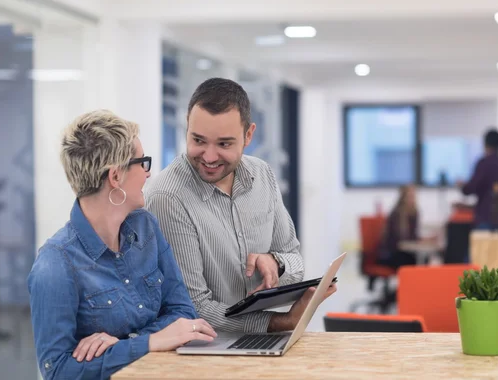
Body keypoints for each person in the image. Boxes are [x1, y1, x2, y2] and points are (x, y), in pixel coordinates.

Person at [27, 110, 216, 380]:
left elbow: (183, 313)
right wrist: (149, 342)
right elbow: (57, 371)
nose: (148, 174)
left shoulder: (146, 227)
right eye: (143, 163)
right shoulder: (55, 264)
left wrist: (126, 344)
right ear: (116, 177)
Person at [144, 78, 336, 334]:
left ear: (248, 135)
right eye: (198, 140)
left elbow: (295, 261)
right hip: (207, 348)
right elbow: (193, 307)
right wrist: (279, 323)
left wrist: (275, 263)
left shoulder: (262, 174)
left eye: (224, 144)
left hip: (262, 342)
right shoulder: (168, 197)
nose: (209, 157)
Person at [456, 128, 498, 230]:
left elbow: (470, 188)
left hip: (487, 220)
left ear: (485, 144)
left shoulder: (484, 163)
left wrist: (462, 186)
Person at [377, 185, 421, 269]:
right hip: (391, 253)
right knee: (410, 261)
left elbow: (413, 236)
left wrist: (423, 239)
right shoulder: (397, 214)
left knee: (420, 260)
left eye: (414, 196)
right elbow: (398, 240)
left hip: (404, 252)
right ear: (403, 198)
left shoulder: (414, 213)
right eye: (410, 196)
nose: (413, 199)